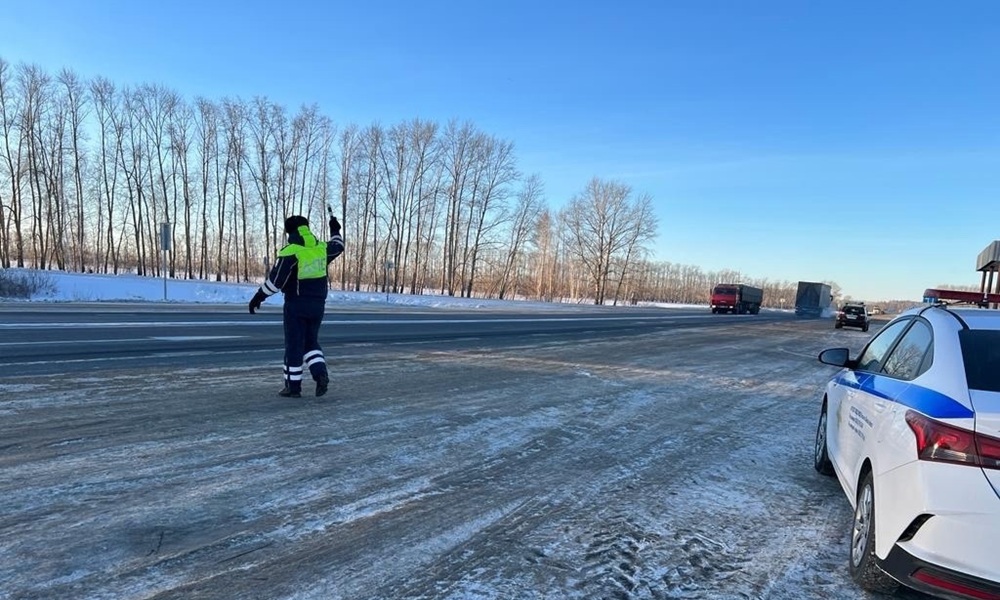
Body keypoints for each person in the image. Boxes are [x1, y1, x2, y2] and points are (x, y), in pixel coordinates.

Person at [249, 213, 344, 398]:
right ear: (307, 228)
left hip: (296, 305)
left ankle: (293, 387)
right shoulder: (321, 248)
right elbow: (339, 246)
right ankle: (320, 374)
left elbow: (275, 282)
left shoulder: (291, 251)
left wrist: (258, 297)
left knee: (294, 345)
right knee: (310, 342)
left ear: (289, 231)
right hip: (318, 306)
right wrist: (335, 228)